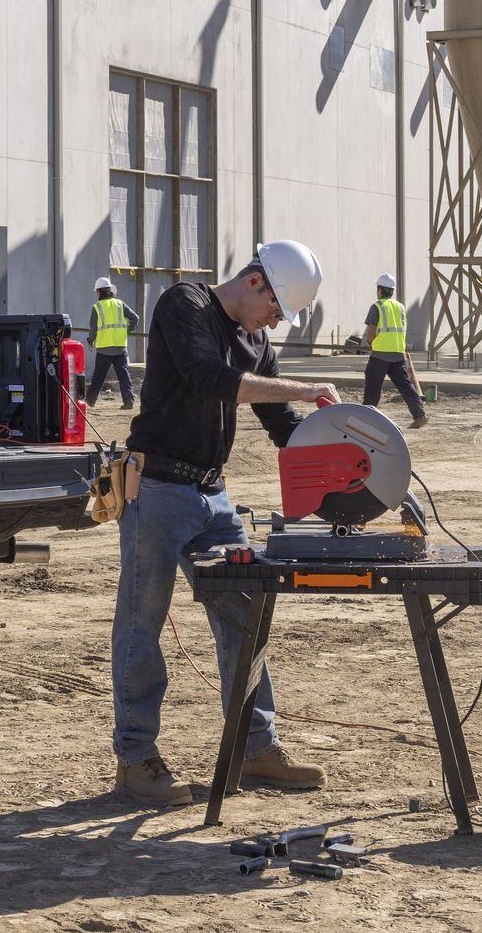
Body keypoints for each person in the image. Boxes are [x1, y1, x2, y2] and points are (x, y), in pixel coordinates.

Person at [112, 240, 337, 805]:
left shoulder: (256, 341)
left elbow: (282, 425)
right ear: (255, 280)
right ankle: (136, 760)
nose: (274, 323)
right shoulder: (182, 305)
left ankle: (256, 749)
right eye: (276, 310)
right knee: (143, 624)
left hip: (212, 495)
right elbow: (210, 378)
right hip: (157, 488)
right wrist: (308, 387)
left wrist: (342, 473)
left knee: (244, 617)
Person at [362, 273, 428, 429]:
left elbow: (371, 330)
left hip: (379, 355)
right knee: (405, 386)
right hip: (398, 354)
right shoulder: (400, 307)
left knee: (372, 386)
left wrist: (370, 342)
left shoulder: (377, 307)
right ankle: (419, 415)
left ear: (379, 290)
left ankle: (365, 417)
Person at [87, 277, 140, 409]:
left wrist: (90, 341)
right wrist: (127, 328)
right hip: (120, 347)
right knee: (124, 376)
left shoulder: (97, 307)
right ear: (110, 290)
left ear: (99, 292)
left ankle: (90, 401)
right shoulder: (119, 304)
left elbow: (93, 329)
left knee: (98, 377)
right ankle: (129, 402)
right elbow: (135, 318)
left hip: (104, 348)